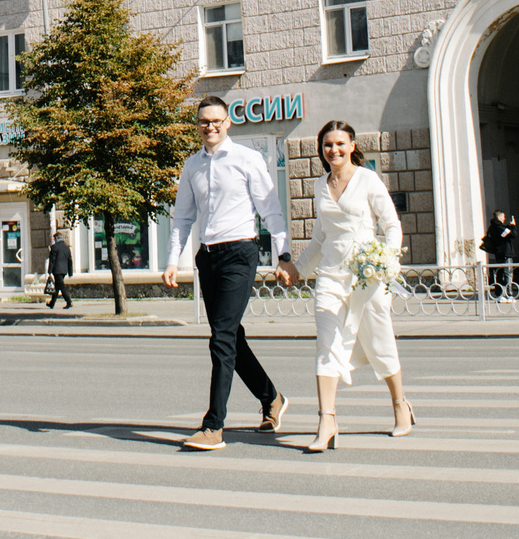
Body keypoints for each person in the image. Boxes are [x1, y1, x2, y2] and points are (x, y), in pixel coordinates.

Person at [161, 96, 294, 451]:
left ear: (228, 122)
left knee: (220, 339)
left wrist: (283, 254)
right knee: (231, 337)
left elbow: (272, 210)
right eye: (204, 121)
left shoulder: (248, 159)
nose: (211, 127)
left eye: (217, 121)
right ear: (198, 125)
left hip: (240, 252)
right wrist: (174, 259)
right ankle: (272, 398)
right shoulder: (192, 166)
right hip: (208, 257)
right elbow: (183, 218)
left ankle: (213, 426)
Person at [303, 119, 417, 451]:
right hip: (330, 277)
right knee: (327, 344)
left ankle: (400, 405)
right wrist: (296, 269)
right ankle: (326, 420)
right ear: (321, 150)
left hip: (367, 277)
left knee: (380, 342)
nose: (333, 150)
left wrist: (387, 261)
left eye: (339, 144)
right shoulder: (319, 185)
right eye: (327, 145)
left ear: (352, 145)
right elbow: (319, 239)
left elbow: (391, 225)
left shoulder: (367, 180)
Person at [483, 210, 518, 300]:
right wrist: (513, 226)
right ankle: (508, 294)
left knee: (500, 273)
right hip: (505, 253)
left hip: (499, 253)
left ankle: (500, 294)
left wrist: (508, 227)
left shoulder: (493, 227)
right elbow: (512, 234)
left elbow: (505, 234)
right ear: (499, 217)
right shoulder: (499, 227)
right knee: (507, 274)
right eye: (503, 217)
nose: (504, 219)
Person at [45, 233, 76, 311]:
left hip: (57, 270)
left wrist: (49, 271)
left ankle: (69, 301)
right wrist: (70, 272)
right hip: (64, 270)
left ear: (56, 238)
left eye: (54, 238)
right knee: (57, 287)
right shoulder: (66, 248)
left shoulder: (54, 247)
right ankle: (52, 303)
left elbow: (52, 260)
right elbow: (70, 260)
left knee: (61, 287)